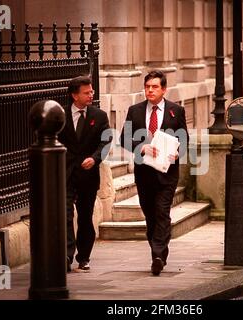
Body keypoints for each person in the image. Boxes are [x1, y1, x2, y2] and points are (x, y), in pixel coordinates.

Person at [120, 70, 188, 276]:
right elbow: (124, 138)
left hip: (167, 173)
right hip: (144, 173)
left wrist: (178, 153)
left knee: (162, 211)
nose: (150, 90)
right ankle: (157, 250)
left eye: (155, 87)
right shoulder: (135, 111)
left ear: (164, 89)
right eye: (147, 86)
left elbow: (184, 140)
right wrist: (141, 147)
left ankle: (157, 255)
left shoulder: (176, 110)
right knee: (150, 214)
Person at [58, 75, 111, 272]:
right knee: (65, 214)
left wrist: (95, 158)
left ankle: (84, 256)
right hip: (66, 173)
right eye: (86, 92)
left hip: (88, 176)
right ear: (74, 95)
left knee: (85, 217)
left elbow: (105, 142)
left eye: (92, 92)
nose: (91, 95)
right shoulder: (60, 116)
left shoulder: (99, 116)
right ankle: (66, 255)